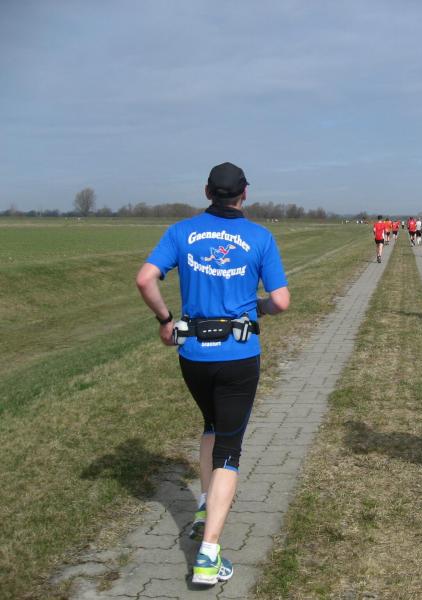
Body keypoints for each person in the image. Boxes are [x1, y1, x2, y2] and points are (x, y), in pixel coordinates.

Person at [136, 162, 290, 584]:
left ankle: (205, 506)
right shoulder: (260, 237)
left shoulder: (181, 232)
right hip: (239, 355)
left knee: (211, 424)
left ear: (207, 191)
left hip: (193, 356)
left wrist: (165, 321)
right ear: (245, 194)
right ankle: (208, 555)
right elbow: (281, 301)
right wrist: (257, 307)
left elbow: (145, 279)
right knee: (229, 450)